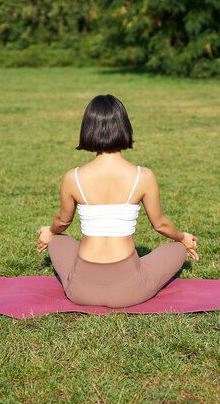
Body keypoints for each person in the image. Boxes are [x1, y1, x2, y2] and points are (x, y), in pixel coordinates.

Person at [36, 94, 199, 308]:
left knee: (58, 239)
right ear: (124, 127)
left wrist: (50, 232)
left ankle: (67, 256)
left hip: (81, 291)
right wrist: (183, 238)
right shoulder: (143, 176)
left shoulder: (72, 177)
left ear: (87, 129)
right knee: (177, 248)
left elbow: (62, 221)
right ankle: (168, 252)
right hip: (130, 291)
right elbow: (161, 224)